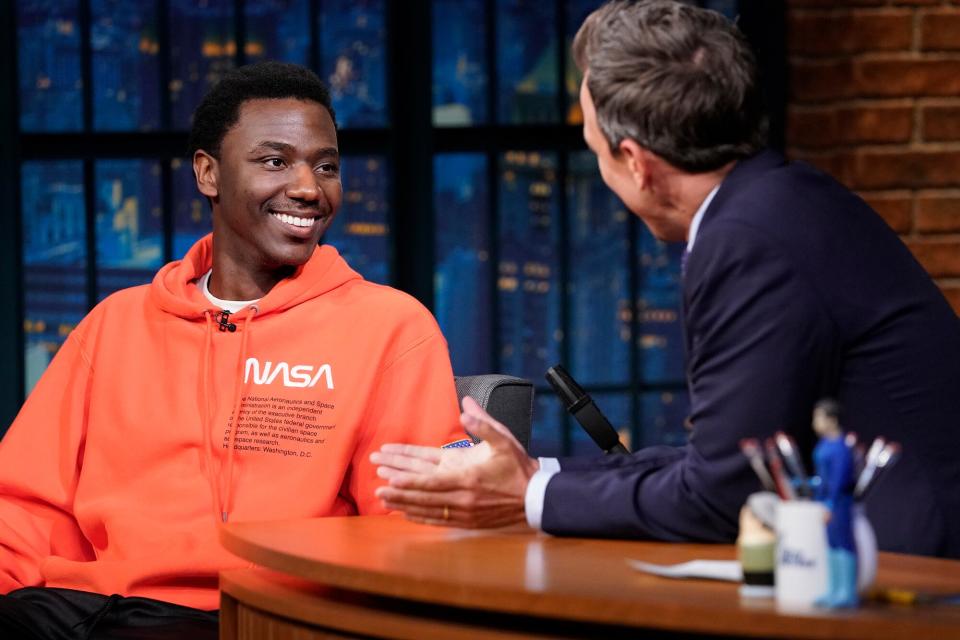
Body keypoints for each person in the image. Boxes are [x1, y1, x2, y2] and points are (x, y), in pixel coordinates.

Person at [372, 0, 960, 559]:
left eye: (594, 150)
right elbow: (723, 462)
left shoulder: (747, 241)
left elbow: (722, 499)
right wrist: (538, 475)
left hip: (914, 580)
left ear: (636, 162)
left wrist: (527, 497)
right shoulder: (783, 200)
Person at [0, 61, 465, 637]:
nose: (307, 187)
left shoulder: (390, 327)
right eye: (275, 161)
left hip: (257, 617)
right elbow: (24, 508)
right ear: (208, 174)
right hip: (82, 612)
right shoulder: (114, 324)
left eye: (326, 166)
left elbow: (409, 523)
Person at [811, 399, 858, 608]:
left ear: (832, 419)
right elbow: (822, 475)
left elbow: (838, 479)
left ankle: (846, 592)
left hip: (838, 502)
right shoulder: (824, 444)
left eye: (819, 417)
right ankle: (833, 588)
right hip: (825, 500)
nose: (815, 422)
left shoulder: (840, 448)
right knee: (830, 544)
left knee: (842, 543)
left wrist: (830, 503)